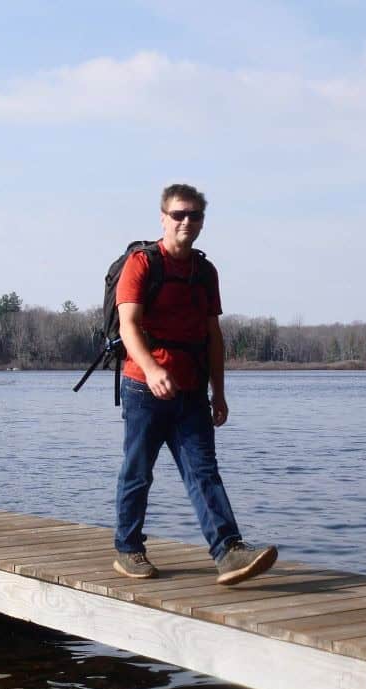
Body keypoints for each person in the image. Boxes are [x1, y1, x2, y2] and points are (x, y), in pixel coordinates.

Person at [112, 183, 277, 585]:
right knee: (138, 471)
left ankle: (229, 552)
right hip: (142, 388)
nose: (186, 221)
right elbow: (127, 325)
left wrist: (219, 392)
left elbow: (213, 336)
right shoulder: (142, 263)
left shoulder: (204, 272)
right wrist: (151, 370)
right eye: (178, 214)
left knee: (204, 472)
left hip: (191, 390)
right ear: (163, 218)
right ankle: (128, 550)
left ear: (203, 220)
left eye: (194, 215)